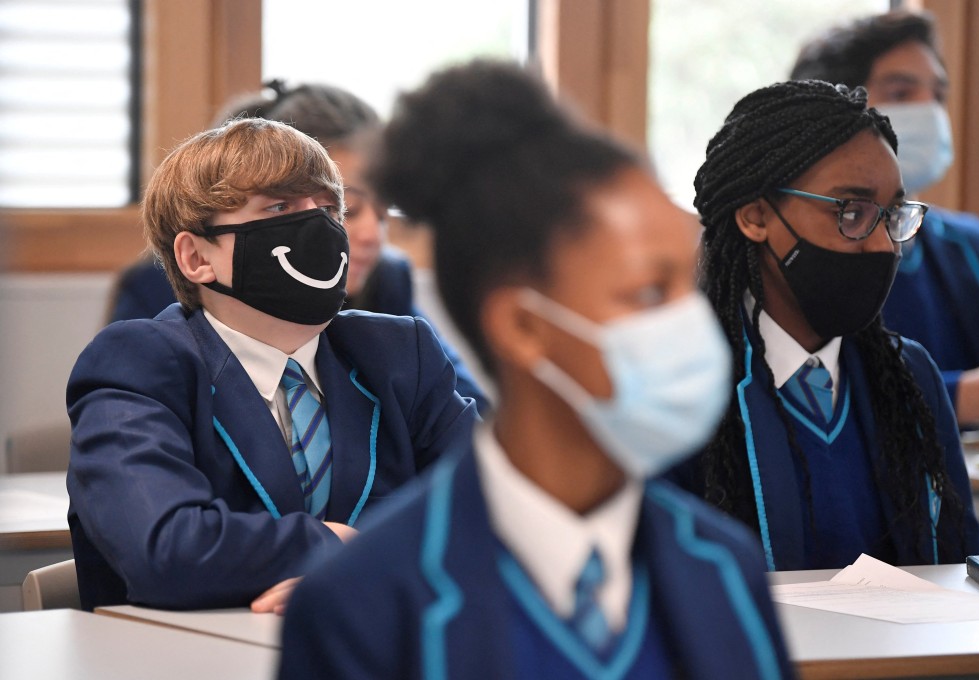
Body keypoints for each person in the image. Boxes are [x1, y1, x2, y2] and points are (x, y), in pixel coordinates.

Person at [277, 60, 794, 680]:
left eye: (690, 286)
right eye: (649, 295)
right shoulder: (364, 602)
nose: (692, 326)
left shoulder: (723, 568)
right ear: (523, 327)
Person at [66, 118, 478, 611]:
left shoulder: (398, 352)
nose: (319, 229)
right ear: (196, 257)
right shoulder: (138, 364)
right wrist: (334, 548)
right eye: (279, 207)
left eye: (328, 208)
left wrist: (364, 572)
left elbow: (503, 509)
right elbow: (168, 548)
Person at [674, 78, 979, 572]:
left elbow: (963, 571)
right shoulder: (688, 385)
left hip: (909, 652)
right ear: (756, 217)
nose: (884, 245)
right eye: (851, 212)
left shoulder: (909, 378)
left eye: (892, 215)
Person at [105, 81, 490, 411]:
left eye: (332, 209)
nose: (374, 235)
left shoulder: (389, 287)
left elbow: (470, 420)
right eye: (352, 209)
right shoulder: (157, 304)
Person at [791, 10, 979, 427]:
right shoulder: (794, 247)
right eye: (901, 93)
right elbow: (798, 394)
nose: (930, 111)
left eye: (938, 95)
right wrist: (970, 397)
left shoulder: (967, 244)